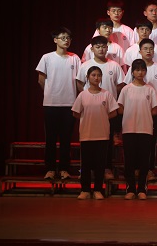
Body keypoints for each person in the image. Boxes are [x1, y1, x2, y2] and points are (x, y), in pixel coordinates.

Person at [76, 35, 125, 180]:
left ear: (107, 48)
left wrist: (110, 96)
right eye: (97, 47)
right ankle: (87, 169)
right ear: (92, 49)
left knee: (107, 141)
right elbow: (79, 83)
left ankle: (106, 168)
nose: (101, 49)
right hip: (90, 111)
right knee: (88, 142)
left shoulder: (114, 65)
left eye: (103, 47)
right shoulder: (85, 65)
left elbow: (120, 84)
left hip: (108, 109)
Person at [36, 27, 81, 181]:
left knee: (66, 139)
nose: (66, 40)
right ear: (55, 40)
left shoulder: (75, 58)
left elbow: (78, 81)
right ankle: (49, 169)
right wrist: (51, 93)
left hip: (69, 104)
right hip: (51, 104)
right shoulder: (47, 57)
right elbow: (41, 80)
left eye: (68, 38)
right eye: (63, 37)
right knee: (50, 138)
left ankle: (64, 169)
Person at [123, 38, 157, 181]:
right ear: (140, 51)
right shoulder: (133, 68)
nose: (148, 51)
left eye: (151, 48)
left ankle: (149, 169)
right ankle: (135, 169)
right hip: (133, 114)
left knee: (150, 143)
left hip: (153, 111)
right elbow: (126, 86)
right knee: (133, 145)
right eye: (145, 48)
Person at [72, 66, 119, 200]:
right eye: (93, 75)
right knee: (86, 164)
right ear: (87, 77)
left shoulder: (106, 94)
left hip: (102, 134)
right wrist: (87, 118)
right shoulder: (83, 95)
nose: (96, 78)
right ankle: (85, 190)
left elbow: (114, 112)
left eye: (99, 75)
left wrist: (101, 117)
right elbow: (75, 113)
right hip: (86, 134)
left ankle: (98, 189)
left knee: (100, 164)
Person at [117, 59, 157, 200]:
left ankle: (142, 188)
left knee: (144, 161)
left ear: (145, 72)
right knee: (129, 160)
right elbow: (120, 109)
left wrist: (143, 114)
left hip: (145, 129)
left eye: (142, 70)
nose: (140, 72)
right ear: (132, 72)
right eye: (137, 70)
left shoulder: (150, 89)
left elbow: (154, 110)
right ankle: (130, 188)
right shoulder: (126, 89)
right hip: (129, 129)